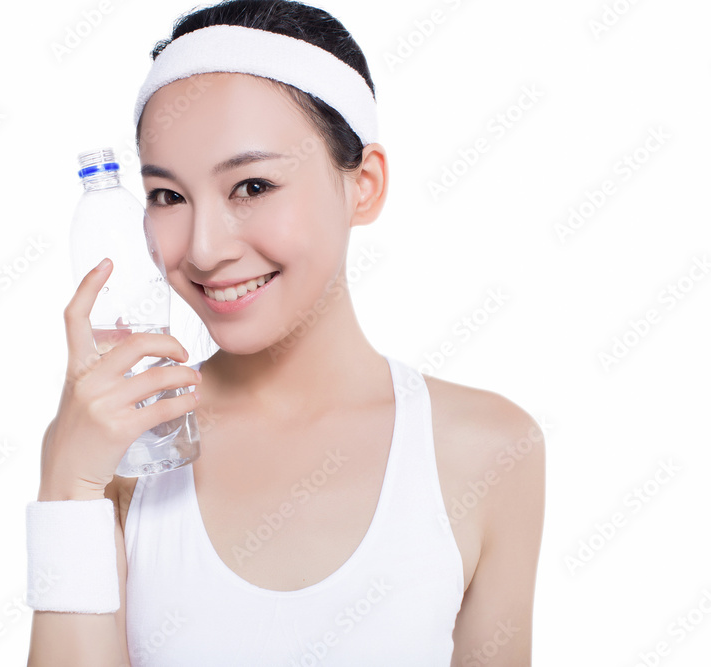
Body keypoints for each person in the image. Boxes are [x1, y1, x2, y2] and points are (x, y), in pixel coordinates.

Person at [26, 1, 545, 665]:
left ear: (364, 186)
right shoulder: (127, 450)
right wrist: (68, 488)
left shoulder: (489, 449)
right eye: (167, 196)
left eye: (252, 185)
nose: (205, 249)